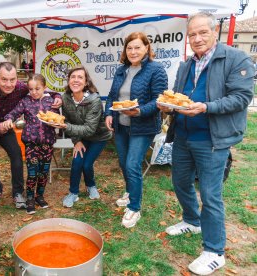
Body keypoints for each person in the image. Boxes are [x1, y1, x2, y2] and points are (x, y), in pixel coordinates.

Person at [156, 12, 254, 275]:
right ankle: (191, 219)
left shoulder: (235, 58)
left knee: (211, 195)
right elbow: (178, 97)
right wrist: (168, 107)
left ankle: (214, 251)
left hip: (212, 139)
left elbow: (242, 97)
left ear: (214, 32)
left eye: (202, 32)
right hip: (183, 136)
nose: (197, 39)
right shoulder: (186, 64)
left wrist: (206, 107)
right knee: (179, 182)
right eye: (192, 34)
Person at [104, 32, 168, 228]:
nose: (133, 51)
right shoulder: (121, 70)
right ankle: (131, 191)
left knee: (132, 164)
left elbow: (159, 100)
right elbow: (112, 96)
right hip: (121, 125)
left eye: (137, 47)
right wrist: (108, 113)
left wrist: (139, 111)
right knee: (124, 163)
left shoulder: (156, 70)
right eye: (129, 48)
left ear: (147, 48)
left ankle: (134, 208)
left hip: (143, 126)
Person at [0, 62, 62, 209]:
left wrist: (57, 96)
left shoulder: (22, 88)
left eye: (12, 79)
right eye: (4, 79)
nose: (9, 84)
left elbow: (44, 90)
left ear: (17, 79)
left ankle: (18, 193)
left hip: (7, 126)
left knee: (16, 155)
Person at [2, 74, 58, 214]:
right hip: (31, 144)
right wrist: (9, 119)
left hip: (47, 143)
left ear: (44, 88)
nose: (34, 92)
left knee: (43, 172)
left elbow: (57, 118)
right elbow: (14, 113)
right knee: (32, 173)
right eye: (31, 89)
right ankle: (30, 198)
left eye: (37, 89)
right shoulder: (25, 101)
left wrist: (58, 122)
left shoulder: (51, 101)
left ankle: (40, 195)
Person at [59, 66, 112, 208]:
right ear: (68, 80)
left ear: (86, 82)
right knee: (77, 162)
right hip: (80, 136)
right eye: (73, 77)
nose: (76, 80)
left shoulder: (94, 100)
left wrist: (65, 127)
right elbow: (68, 120)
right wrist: (76, 141)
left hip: (99, 136)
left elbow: (89, 129)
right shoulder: (65, 98)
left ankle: (91, 185)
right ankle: (73, 193)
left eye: (80, 77)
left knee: (87, 164)